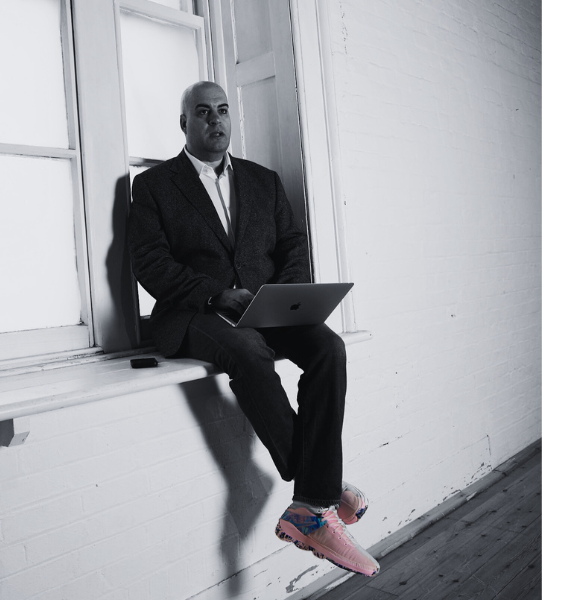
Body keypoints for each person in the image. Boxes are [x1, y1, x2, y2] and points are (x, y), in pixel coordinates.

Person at [126, 81, 378, 577]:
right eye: (202, 112)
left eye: (222, 111)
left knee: (328, 348)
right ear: (184, 124)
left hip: (263, 306)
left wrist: (281, 298)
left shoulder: (264, 181)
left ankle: (310, 500)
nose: (215, 120)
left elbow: (292, 245)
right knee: (247, 352)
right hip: (196, 311)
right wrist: (215, 294)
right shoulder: (154, 185)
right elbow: (148, 262)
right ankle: (319, 492)